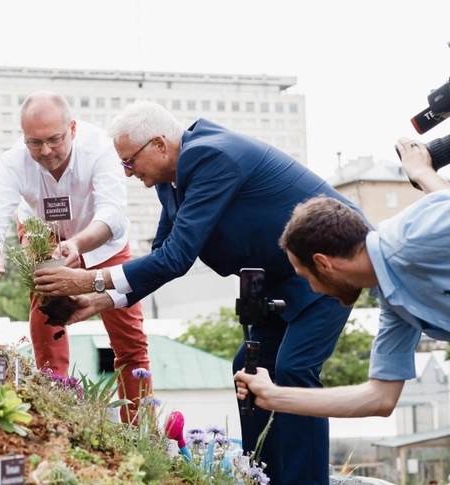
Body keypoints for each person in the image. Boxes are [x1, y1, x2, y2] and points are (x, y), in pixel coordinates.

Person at [33, 100, 366, 485]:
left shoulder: (212, 157)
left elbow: (177, 257)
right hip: (282, 281)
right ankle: (263, 476)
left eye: (129, 162)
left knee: (294, 371)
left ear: (159, 144)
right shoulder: (171, 180)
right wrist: (98, 302)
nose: (127, 173)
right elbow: (163, 254)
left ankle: (306, 481)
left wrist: (89, 280)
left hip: (333, 266)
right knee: (248, 370)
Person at [0, 91, 151, 422]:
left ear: (73, 129)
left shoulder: (100, 149)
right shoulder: (13, 162)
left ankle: (140, 428)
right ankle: (59, 413)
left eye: (54, 140)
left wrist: (79, 244)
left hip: (101, 241)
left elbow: (112, 214)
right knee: (49, 317)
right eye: (34, 142)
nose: (46, 151)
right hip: (44, 237)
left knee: (130, 340)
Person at [234, 138, 450, 419]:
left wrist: (423, 174)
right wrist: (273, 395)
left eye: (305, 276)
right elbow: (380, 398)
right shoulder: (394, 301)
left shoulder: (408, 237)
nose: (311, 289)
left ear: (323, 263)